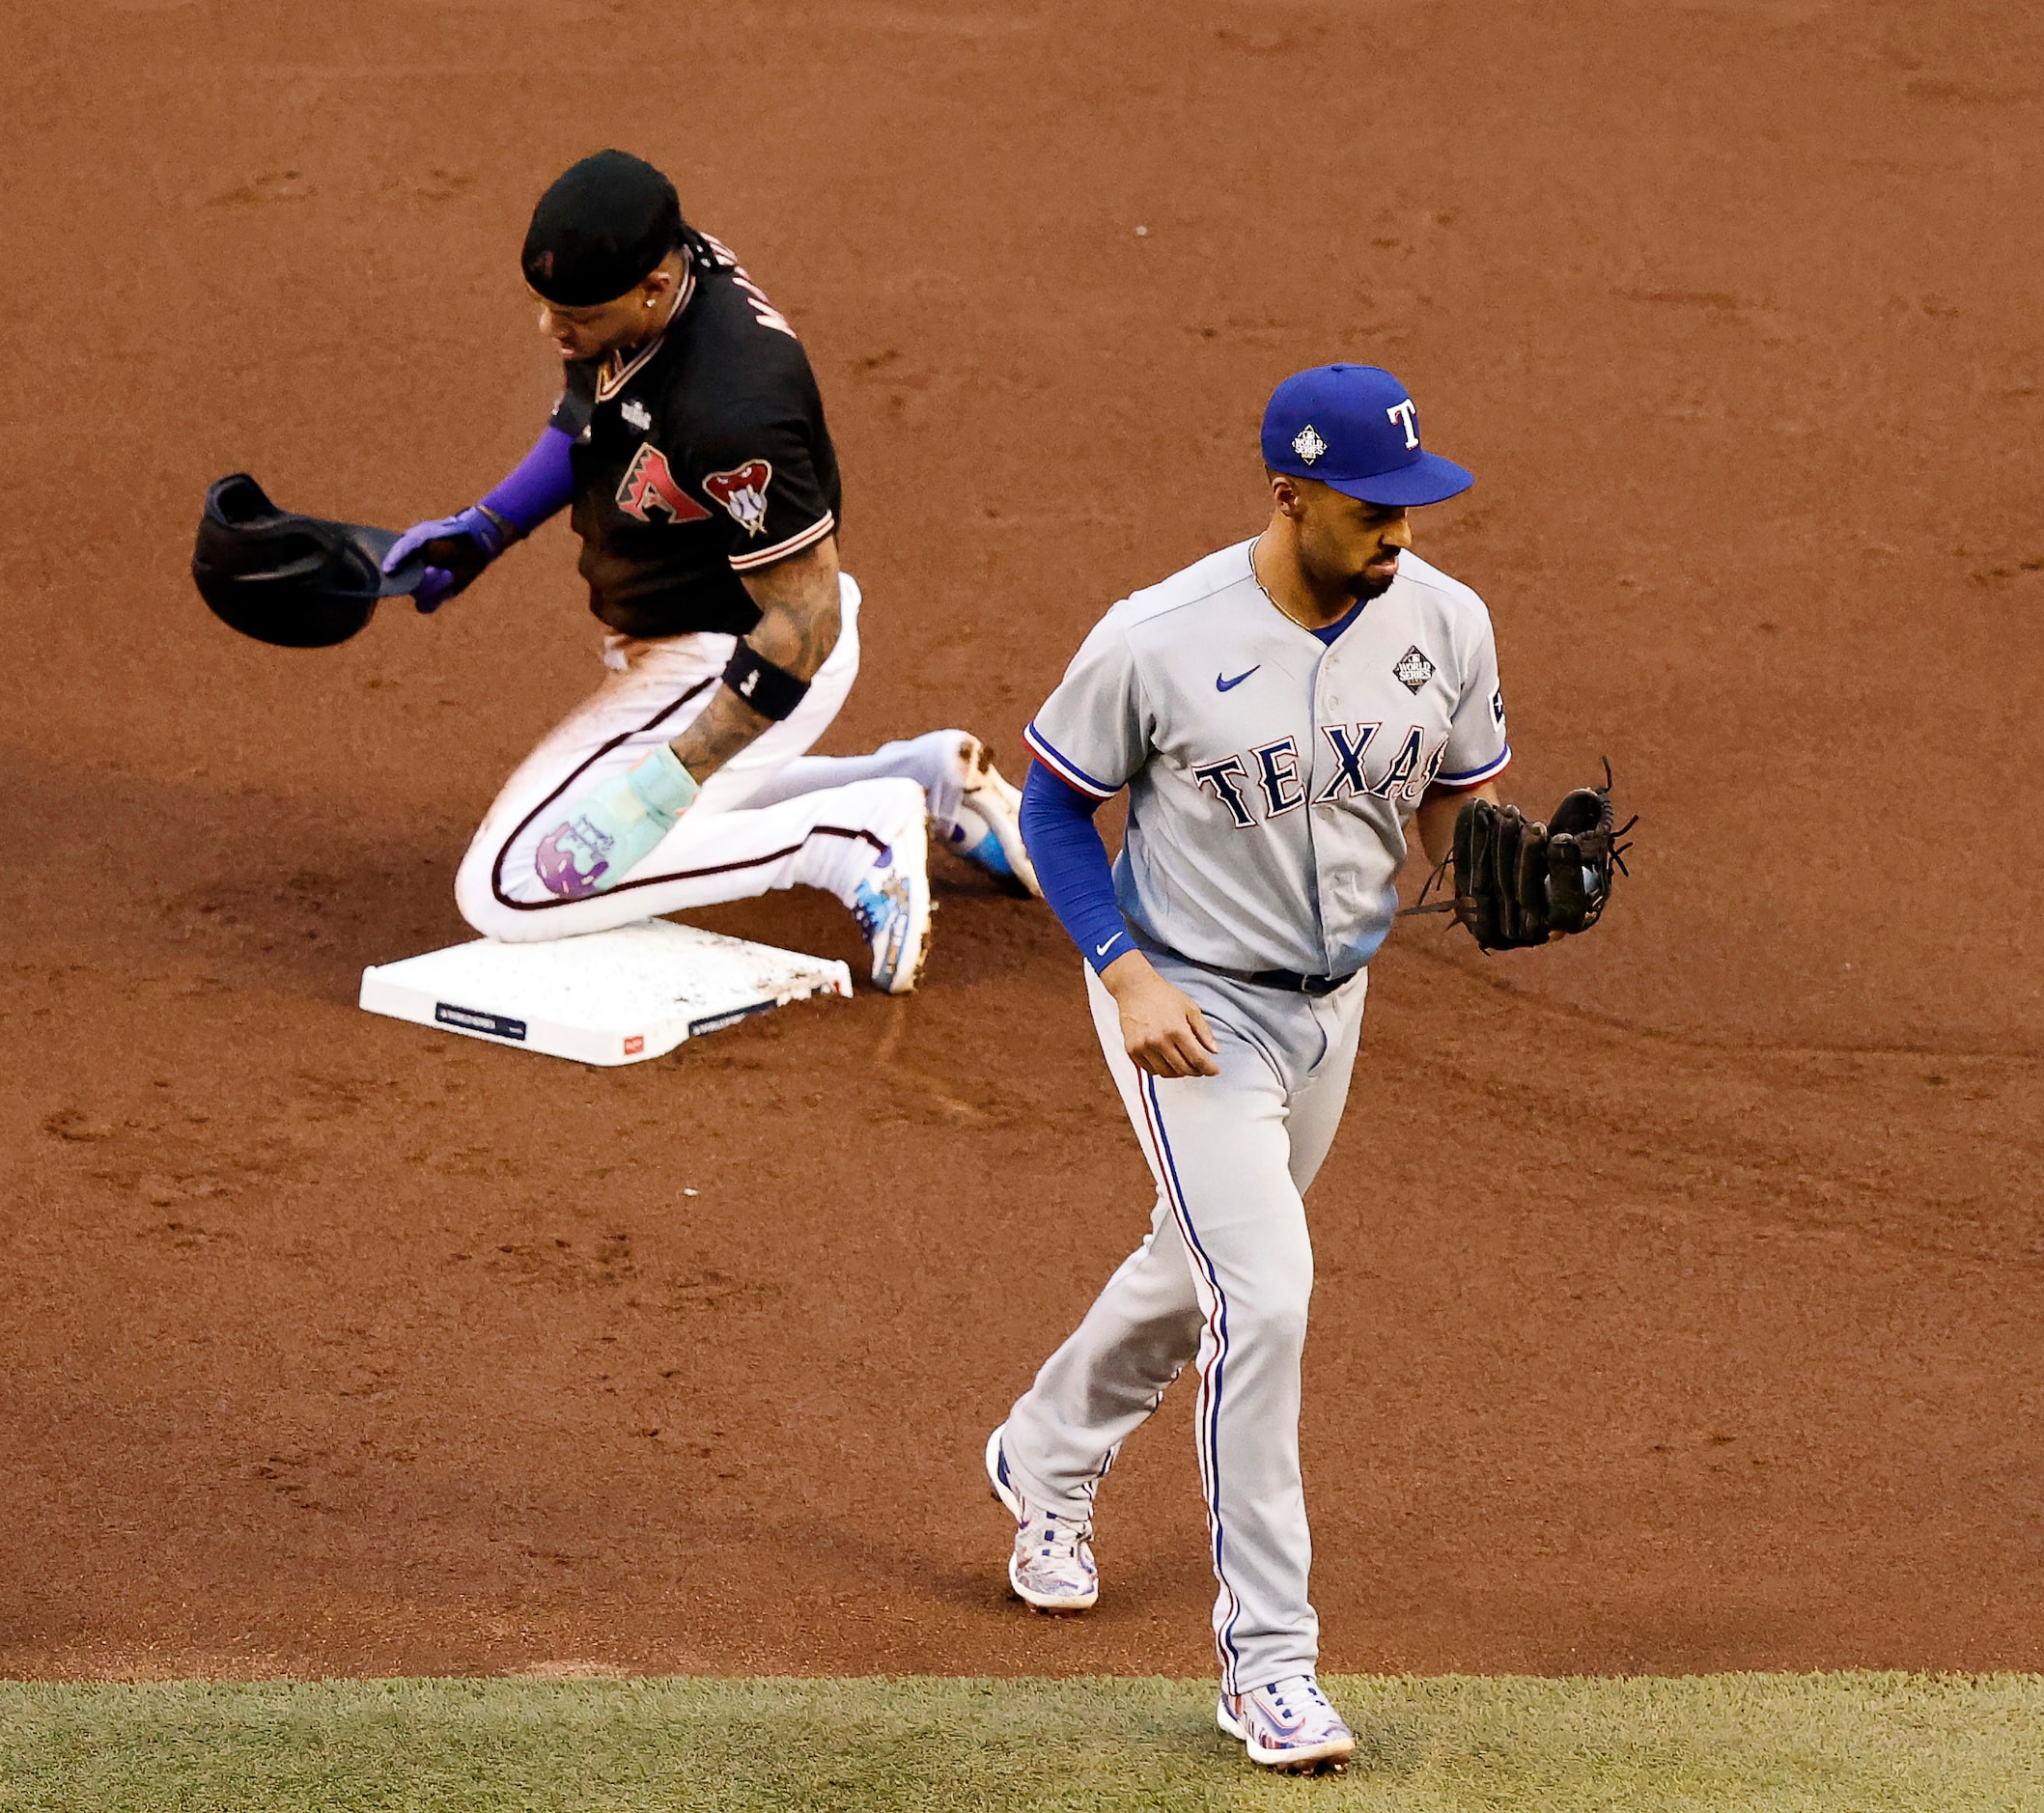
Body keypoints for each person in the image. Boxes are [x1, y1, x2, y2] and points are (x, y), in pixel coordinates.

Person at [985, 365, 1519, 1772]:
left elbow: (1456, 804)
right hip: (1188, 1007)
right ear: (1289, 490)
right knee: (1266, 1297)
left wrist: (1508, 868)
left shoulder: (1447, 622)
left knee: (1201, 1260)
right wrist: (1125, 969)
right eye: (1370, 508)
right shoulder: (1158, 637)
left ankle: (1044, 1448)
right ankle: (1268, 1665)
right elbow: (1051, 801)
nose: (1399, 534)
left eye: (1414, 505)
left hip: (1335, 1005)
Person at [382, 151, 1037, 990]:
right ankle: (919, 781)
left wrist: (667, 778)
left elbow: (803, 624)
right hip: (687, 636)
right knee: (621, 825)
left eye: (572, 313)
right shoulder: (648, 274)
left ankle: (851, 837)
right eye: (546, 307)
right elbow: (591, 413)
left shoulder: (734, 408)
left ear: (653, 288)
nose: (551, 331)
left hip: (743, 654)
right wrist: (486, 527)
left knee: (510, 890)